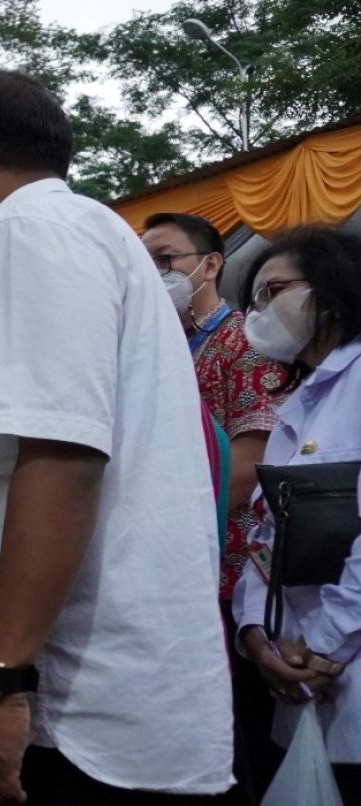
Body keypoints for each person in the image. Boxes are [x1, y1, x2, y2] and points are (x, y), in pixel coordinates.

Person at [0, 72, 233, 803]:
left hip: (68, 715)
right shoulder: (70, 234)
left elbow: (61, 461)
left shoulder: (25, 232)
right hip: (62, 699)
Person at [143, 212, 288, 801]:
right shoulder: (155, 346)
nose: (154, 271)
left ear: (210, 264)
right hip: (167, 571)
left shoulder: (243, 343)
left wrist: (170, 526)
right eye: (144, 260)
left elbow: (250, 470)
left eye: (166, 258)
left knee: (233, 742)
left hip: (227, 572)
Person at [232, 226, 361, 802]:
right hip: (298, 674)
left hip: (335, 666)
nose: (256, 313)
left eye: (272, 291)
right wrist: (256, 632)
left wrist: (324, 643)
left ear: (331, 289)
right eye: (251, 300)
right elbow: (266, 534)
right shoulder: (297, 404)